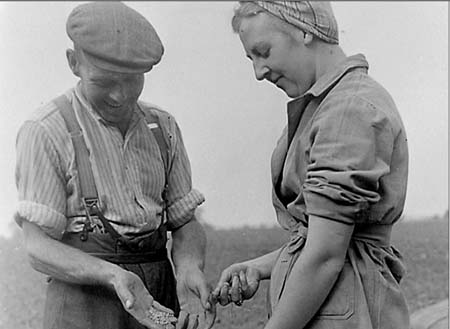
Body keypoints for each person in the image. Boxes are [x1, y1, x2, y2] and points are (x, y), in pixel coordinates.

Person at [14, 2, 215, 329]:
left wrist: (190, 267)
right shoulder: (46, 130)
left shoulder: (162, 127)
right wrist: (112, 276)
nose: (120, 96)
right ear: (73, 62)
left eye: (133, 80)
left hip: (158, 294)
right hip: (84, 303)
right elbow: (37, 247)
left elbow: (184, 223)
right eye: (104, 81)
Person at [212, 2, 410, 329]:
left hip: (348, 311)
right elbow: (329, 238)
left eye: (264, 52)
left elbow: (325, 257)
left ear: (306, 31)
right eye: (252, 59)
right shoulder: (329, 105)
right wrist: (260, 266)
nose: (259, 72)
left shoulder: (348, 109)